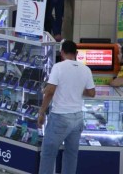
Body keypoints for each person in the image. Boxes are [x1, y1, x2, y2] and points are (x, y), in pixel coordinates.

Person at [38, 41, 96, 174]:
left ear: (62, 52)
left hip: (60, 117)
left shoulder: (58, 67)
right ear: (76, 53)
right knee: (71, 155)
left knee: (48, 154)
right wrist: (77, 89)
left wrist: (41, 113)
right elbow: (92, 93)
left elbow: (50, 91)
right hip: (77, 118)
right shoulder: (85, 69)